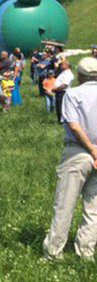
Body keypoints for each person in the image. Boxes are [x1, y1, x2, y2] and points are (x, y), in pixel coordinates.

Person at [42, 57, 97, 259]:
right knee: (93, 207)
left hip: (77, 151)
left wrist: (92, 150)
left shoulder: (73, 94)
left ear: (80, 76)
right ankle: (85, 251)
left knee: (65, 203)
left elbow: (74, 126)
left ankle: (53, 251)